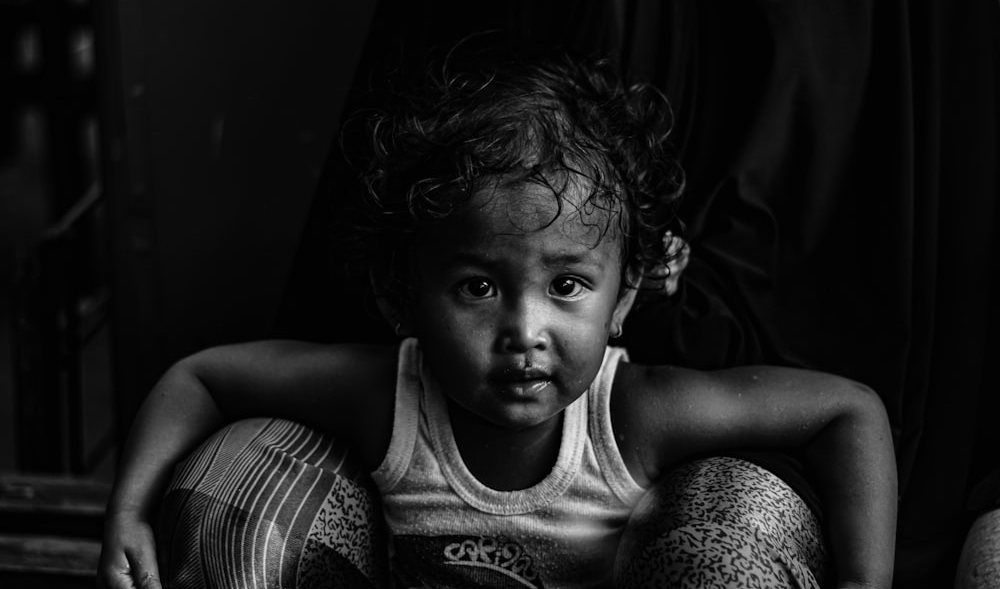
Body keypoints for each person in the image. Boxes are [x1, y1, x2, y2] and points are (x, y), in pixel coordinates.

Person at [97, 52, 896, 589]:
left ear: (625, 299)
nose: (525, 328)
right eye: (479, 286)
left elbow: (848, 410)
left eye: (570, 284)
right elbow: (200, 377)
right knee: (233, 494)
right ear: (402, 297)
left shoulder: (633, 415)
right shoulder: (388, 398)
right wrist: (130, 512)